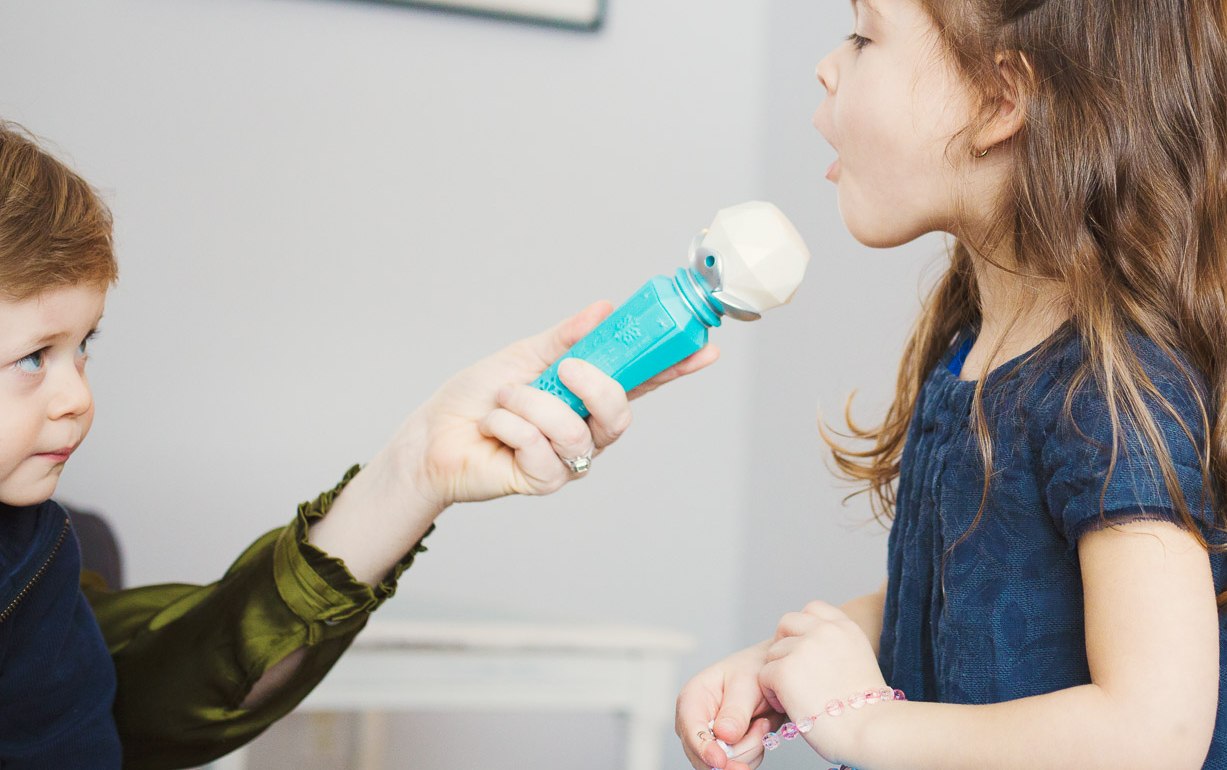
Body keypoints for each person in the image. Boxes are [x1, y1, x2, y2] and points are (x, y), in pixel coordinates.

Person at [676, 0, 1227, 770]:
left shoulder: (1114, 387)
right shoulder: (976, 343)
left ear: (1002, 100)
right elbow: (974, 603)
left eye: (865, 35)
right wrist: (797, 661)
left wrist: (865, 724)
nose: (828, 67)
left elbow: (1150, 731)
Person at [0, 120, 716, 769]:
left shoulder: (40, 551)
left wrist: (416, 473)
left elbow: (141, 698)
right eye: (33, 357)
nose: (77, 398)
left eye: (84, 346)